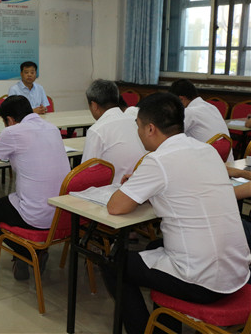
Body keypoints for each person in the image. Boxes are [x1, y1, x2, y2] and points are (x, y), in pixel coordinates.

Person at [103, 92, 251, 334]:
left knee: (113, 262)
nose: (138, 133)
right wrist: (145, 186)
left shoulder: (158, 160)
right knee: (154, 247)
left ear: (150, 128)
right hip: (238, 272)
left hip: (203, 282)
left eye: (138, 126)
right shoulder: (207, 150)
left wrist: (137, 185)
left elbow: (115, 207)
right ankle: (164, 328)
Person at [0, 95, 71, 281]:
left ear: (10, 120)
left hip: (36, 217)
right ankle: (28, 252)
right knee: (13, 199)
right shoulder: (52, 128)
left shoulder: (12, 132)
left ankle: (28, 253)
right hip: (64, 214)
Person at [82, 79, 146, 184]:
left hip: (114, 188)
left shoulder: (97, 130)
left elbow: (87, 171)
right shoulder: (134, 121)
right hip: (140, 182)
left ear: (94, 105)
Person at [168, 78, 233, 161]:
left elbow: (170, 137)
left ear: (181, 99)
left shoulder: (189, 112)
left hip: (206, 162)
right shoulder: (212, 107)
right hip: (225, 163)